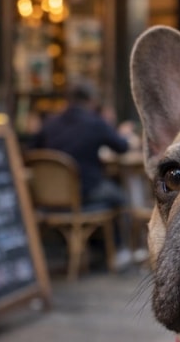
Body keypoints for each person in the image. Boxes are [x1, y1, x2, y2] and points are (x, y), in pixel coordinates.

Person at [31, 82, 135, 266]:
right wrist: (125, 134)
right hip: (85, 191)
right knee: (122, 198)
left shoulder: (49, 124)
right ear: (92, 101)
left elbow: (31, 152)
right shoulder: (95, 123)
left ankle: (91, 247)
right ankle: (120, 251)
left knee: (108, 190)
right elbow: (122, 147)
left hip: (47, 200)